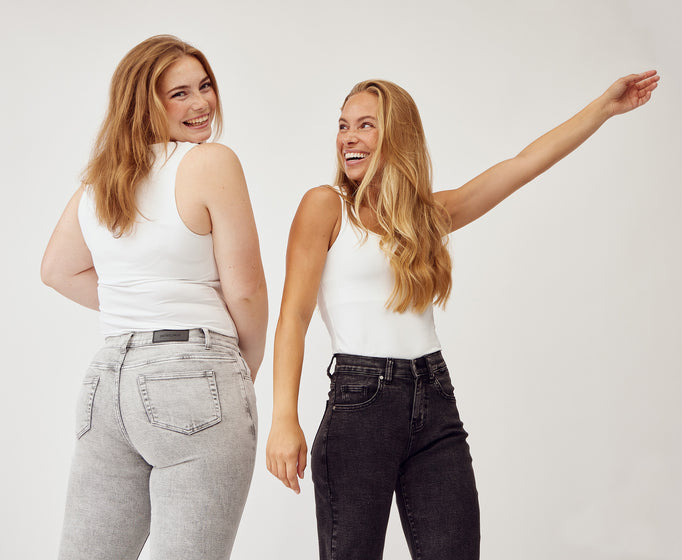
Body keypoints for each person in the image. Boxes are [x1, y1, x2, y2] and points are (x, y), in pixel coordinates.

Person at [264, 72, 660, 559]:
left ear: (398, 135)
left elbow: (520, 165)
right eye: (344, 125)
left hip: (434, 399)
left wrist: (603, 108)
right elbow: (293, 316)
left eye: (366, 125)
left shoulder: (424, 216)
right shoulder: (325, 206)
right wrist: (284, 418)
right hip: (360, 405)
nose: (349, 137)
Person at [41, 35, 267, 560]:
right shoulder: (210, 162)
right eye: (179, 94)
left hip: (108, 382)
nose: (201, 103)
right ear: (143, 104)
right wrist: (244, 367)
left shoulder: (101, 181)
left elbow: (56, 270)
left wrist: (138, 306)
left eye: (204, 86)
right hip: (197, 373)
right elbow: (247, 290)